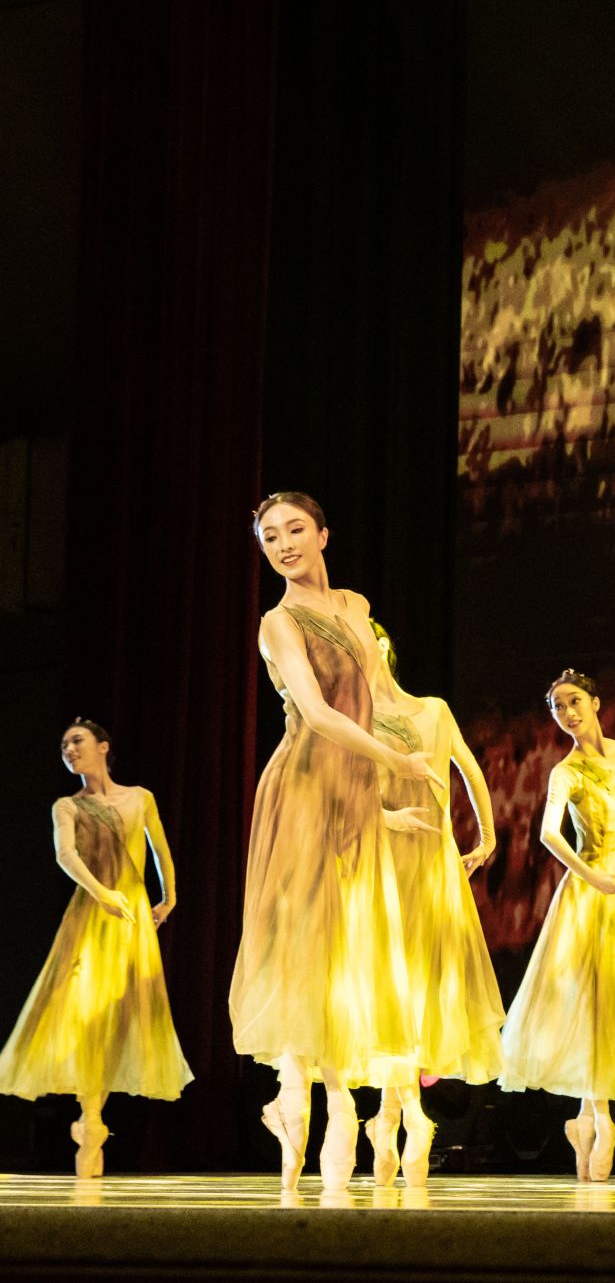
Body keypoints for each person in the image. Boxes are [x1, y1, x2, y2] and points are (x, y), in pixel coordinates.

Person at [231, 491, 433, 1194]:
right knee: (306, 936)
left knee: (350, 944)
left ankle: (335, 1100)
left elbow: (377, 698)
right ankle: (296, 1099)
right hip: (305, 784)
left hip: (356, 787)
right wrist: (395, 760)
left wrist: (391, 786)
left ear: (323, 534)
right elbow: (316, 713)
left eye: (294, 530)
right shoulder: (279, 622)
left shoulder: (355, 605)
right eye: (269, 537)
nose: (283, 544)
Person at [499, 669, 615, 1180]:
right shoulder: (567, 771)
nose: (567, 713)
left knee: (613, 1001)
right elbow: (548, 834)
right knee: (593, 1002)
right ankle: (600, 1119)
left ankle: (583, 1120)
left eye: (574, 701)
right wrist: (594, 876)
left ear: (595, 702)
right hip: (591, 893)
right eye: (557, 707)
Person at [0, 719, 192, 1176]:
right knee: (84, 1012)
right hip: (91, 914)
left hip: (132, 919)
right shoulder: (67, 805)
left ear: (103, 747)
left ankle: (92, 1119)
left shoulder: (140, 797)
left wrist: (169, 898)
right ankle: (90, 1120)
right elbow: (65, 854)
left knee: (123, 1014)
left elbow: (160, 849)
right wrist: (102, 893)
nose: (69, 749)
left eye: (77, 741)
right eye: (63, 745)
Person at [362, 621, 506, 1187]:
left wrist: (487, 836)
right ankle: (402, 1114)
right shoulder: (350, 721)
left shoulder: (433, 710)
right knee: (388, 990)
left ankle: (393, 1117)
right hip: (380, 862)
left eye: (367, 638)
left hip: (431, 866)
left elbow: (469, 768)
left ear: (384, 647)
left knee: (418, 988)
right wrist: (385, 817)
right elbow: (339, 797)